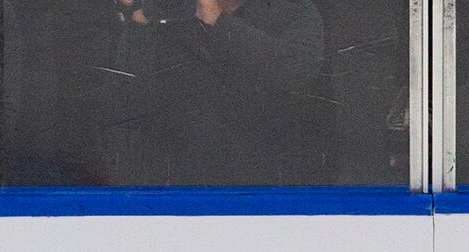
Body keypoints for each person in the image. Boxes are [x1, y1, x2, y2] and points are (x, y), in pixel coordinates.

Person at [103, 0, 325, 185]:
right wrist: (137, 19)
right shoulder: (169, 13)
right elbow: (124, 107)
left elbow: (299, 71)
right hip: (172, 190)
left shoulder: (293, 9)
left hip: (263, 190)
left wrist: (219, 21)